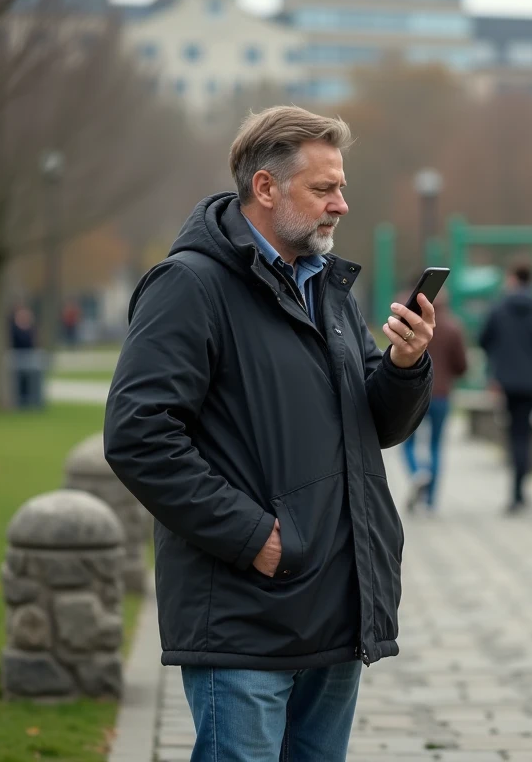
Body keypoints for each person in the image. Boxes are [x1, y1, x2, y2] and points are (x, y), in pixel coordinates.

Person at [103, 106, 435, 762]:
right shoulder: (188, 286)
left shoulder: (328, 289)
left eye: (341, 187)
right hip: (244, 616)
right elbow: (138, 434)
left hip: (337, 609)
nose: (341, 204)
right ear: (265, 187)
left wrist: (405, 365)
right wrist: (254, 537)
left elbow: (376, 425)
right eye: (323, 188)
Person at [478, 264, 532, 514]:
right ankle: (520, 491)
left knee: (513, 432)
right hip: (531, 382)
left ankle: (516, 492)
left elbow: (483, 340)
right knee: (524, 433)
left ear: (512, 279)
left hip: (506, 381)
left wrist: (497, 363)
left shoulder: (499, 308)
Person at [400, 290, 467, 514]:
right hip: (441, 394)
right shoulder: (453, 327)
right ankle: (430, 502)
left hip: (412, 393)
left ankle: (417, 471)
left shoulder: (409, 324)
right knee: (436, 445)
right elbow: (461, 365)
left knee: (408, 442)